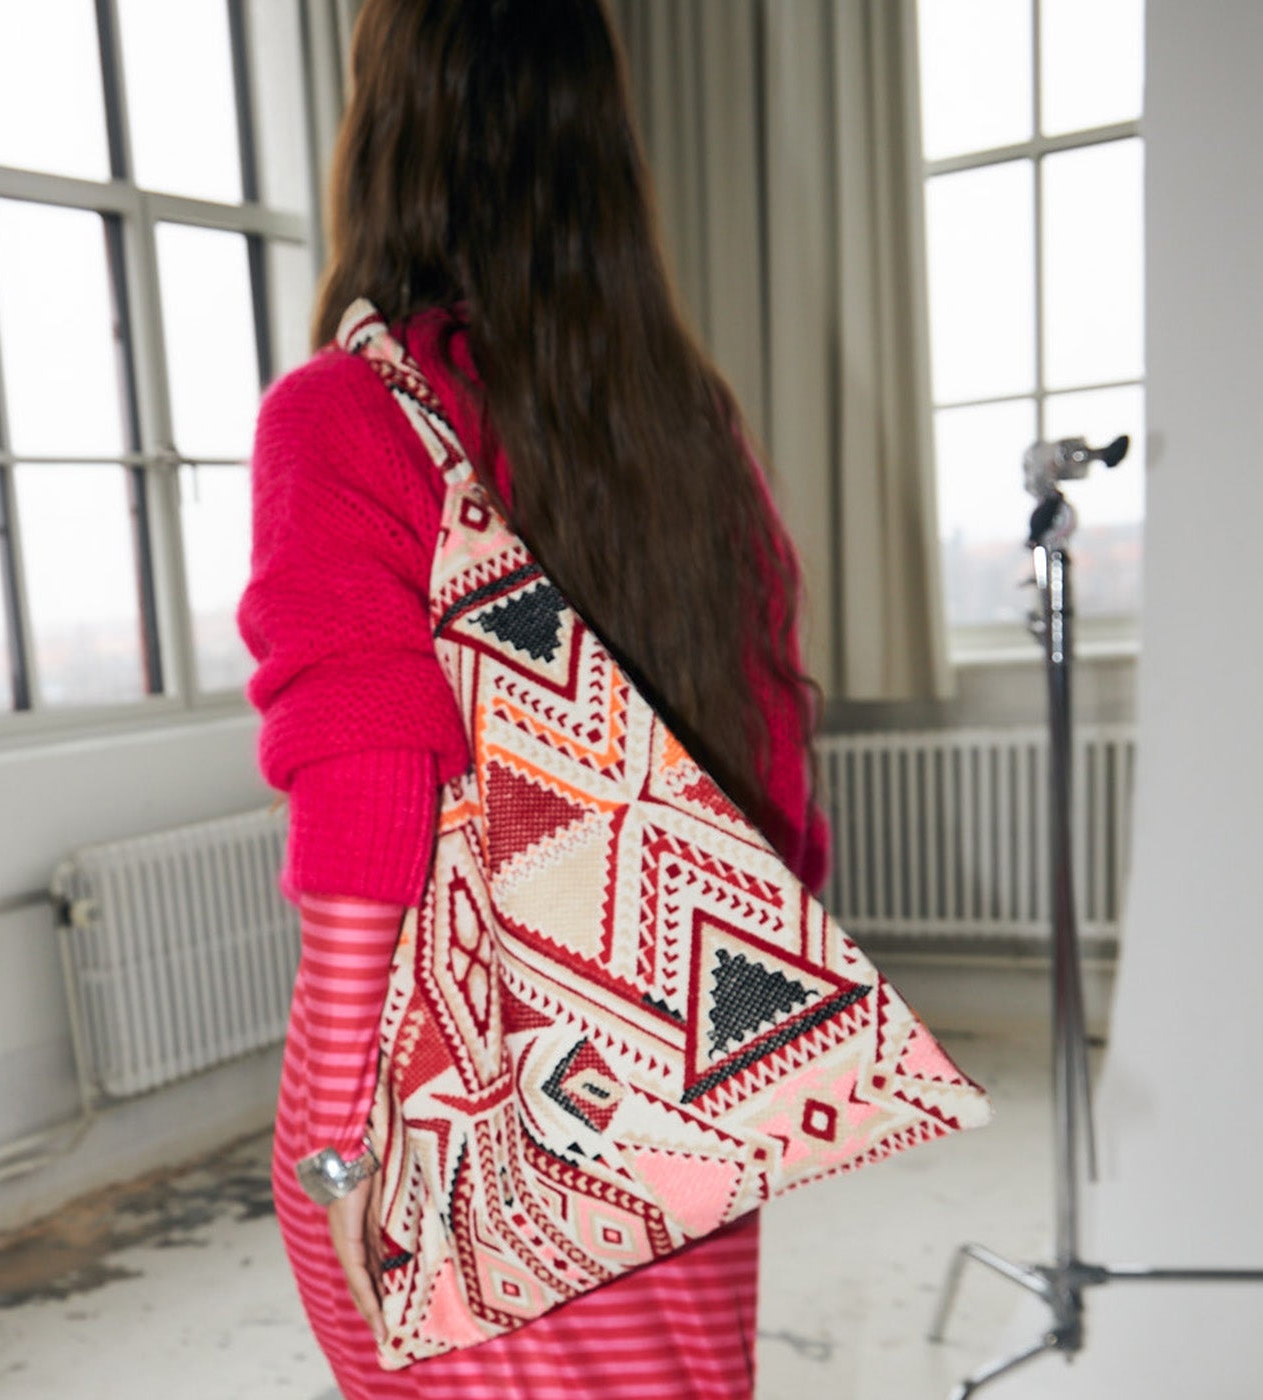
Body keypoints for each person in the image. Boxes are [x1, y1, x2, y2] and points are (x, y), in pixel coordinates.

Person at [237, 1, 831, 1395]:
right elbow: (778, 766)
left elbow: (366, 768)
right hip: (686, 1057)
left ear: (385, 128)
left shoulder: (343, 416)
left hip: (476, 1087)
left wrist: (332, 1116)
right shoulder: (684, 417)